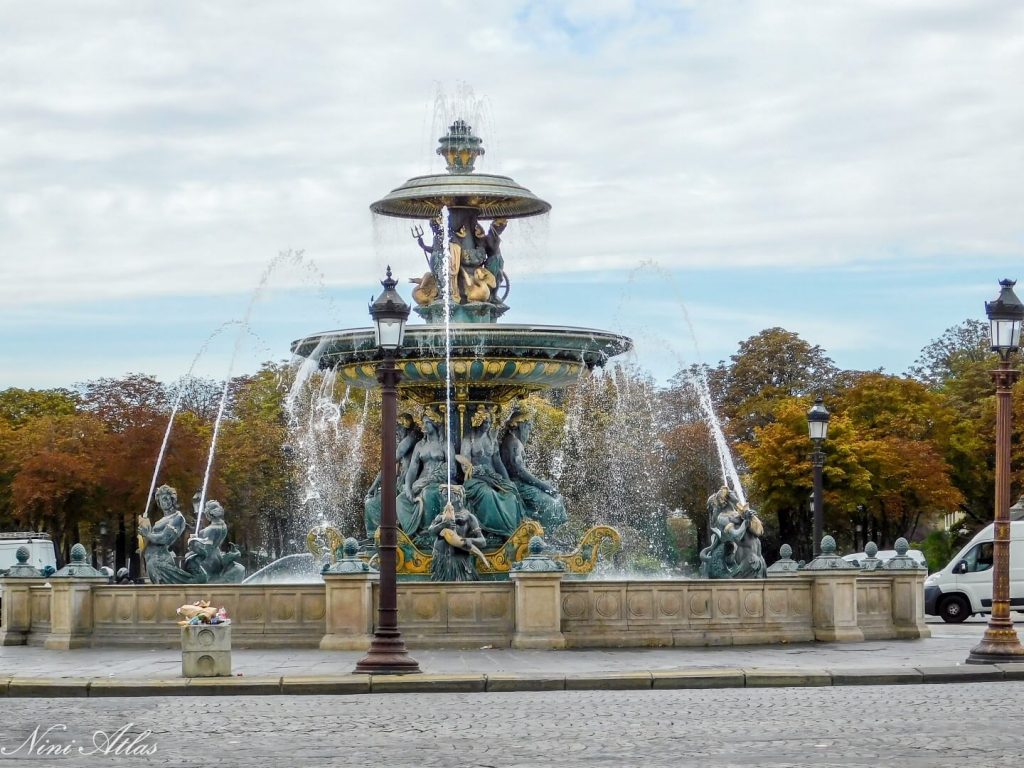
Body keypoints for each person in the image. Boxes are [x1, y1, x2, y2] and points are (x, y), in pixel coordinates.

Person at [459, 405, 526, 541]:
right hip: (475, 479)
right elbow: (464, 466)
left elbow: (498, 462)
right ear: (478, 422)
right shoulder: (468, 440)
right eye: (485, 422)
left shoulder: (492, 440)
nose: (488, 425)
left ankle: (512, 531)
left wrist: (507, 481)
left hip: (494, 477)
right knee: (488, 495)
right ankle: (494, 531)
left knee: (511, 494)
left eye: (489, 422)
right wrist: (481, 474)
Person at [500, 408, 567, 533]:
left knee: (555, 496)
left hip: (518, 483)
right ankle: (546, 536)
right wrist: (543, 486)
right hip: (516, 485)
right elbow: (519, 471)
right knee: (550, 502)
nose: (529, 432)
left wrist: (543, 484)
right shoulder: (514, 442)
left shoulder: (510, 440)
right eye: (528, 427)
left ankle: (546, 533)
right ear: (521, 426)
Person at [397, 408, 451, 541]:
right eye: (422, 422)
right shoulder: (420, 446)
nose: (423, 425)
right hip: (420, 482)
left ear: (435, 423)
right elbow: (412, 470)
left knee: (428, 492)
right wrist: (408, 487)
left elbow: (452, 468)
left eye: (426, 422)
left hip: (439, 482)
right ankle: (410, 534)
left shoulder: (445, 444)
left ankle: (428, 532)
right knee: (400, 499)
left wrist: (431, 479)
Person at [364, 413, 422, 537]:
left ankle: (390, 538)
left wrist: (374, 484)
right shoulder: (406, 439)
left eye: (398, 431)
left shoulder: (414, 437)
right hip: (400, 484)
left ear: (406, 425)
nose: (397, 435)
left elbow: (391, 461)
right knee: (371, 503)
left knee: (392, 501)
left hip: (412, 485)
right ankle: (375, 537)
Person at [698, 486, 766, 579]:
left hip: (759, 559)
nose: (733, 493)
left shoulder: (740, 514)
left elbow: (759, 531)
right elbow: (737, 536)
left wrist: (750, 516)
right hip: (748, 559)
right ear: (725, 499)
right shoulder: (722, 518)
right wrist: (746, 521)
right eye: (731, 494)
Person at [427, 489, 486, 582]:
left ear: (458, 496)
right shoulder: (440, 516)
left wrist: (470, 540)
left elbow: (483, 542)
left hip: (460, 561)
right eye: (444, 496)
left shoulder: (469, 517)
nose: (445, 498)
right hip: (441, 561)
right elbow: (430, 532)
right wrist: (443, 524)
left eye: (448, 495)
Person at [138, 485, 192, 584]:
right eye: (162, 499)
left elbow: (165, 538)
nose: (165, 501)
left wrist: (148, 534)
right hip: (152, 560)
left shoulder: (177, 518)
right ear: (159, 502)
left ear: (173, 500)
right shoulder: (160, 521)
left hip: (160, 561)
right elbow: (151, 538)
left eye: (167, 498)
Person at [183, 500, 245, 583]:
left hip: (210, 561)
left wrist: (194, 548)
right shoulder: (223, 525)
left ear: (208, 513)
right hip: (217, 555)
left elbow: (206, 551)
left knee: (188, 560)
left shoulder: (210, 529)